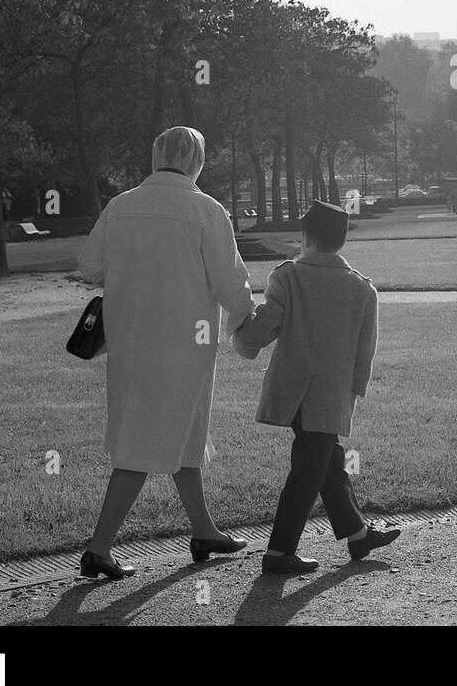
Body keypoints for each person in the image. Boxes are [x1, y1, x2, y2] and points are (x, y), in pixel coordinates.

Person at [77, 126, 256, 580]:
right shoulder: (206, 209)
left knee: (179, 433)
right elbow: (230, 284)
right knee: (151, 441)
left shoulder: (121, 205)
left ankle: (204, 530)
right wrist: (246, 326)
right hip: (187, 342)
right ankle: (99, 548)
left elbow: (89, 267)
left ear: (155, 155)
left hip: (131, 339)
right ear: (198, 162)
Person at [230, 199, 398, 575]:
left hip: (292, 392)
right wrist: (352, 396)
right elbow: (363, 354)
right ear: (343, 241)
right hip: (332, 395)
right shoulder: (362, 289)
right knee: (310, 467)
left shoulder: (288, 276)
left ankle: (357, 534)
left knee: (324, 463)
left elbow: (262, 330)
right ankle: (279, 553)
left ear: (305, 236)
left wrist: (239, 328)